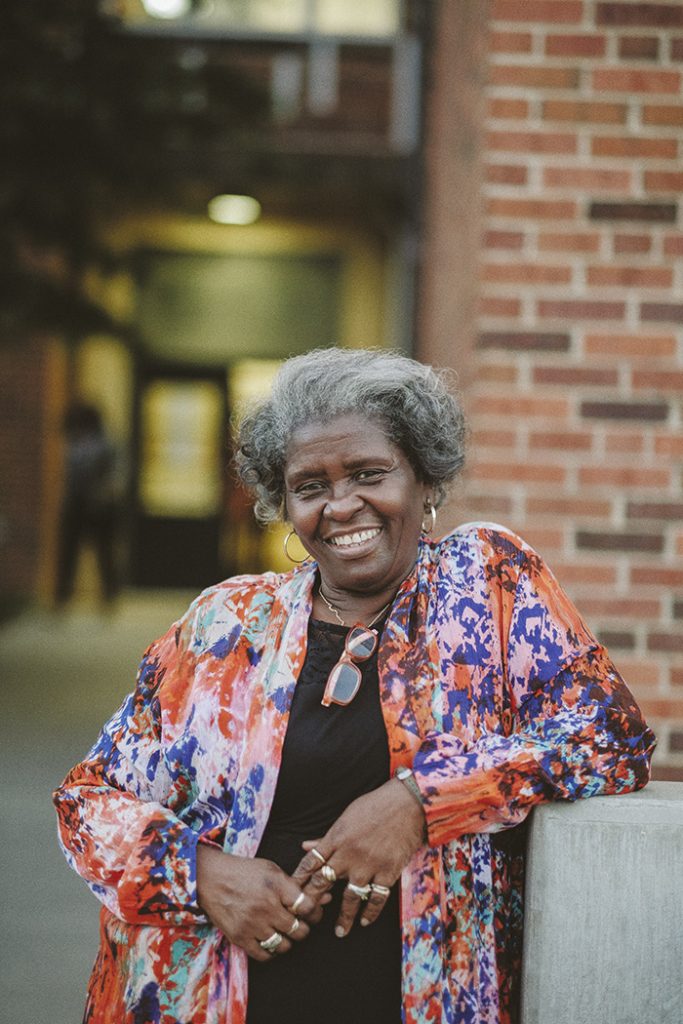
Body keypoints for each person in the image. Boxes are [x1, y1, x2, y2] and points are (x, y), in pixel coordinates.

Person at [53, 348, 655, 1024]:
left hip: (420, 1000)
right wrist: (200, 874)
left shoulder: (486, 587)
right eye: (310, 486)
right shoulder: (224, 624)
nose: (342, 506)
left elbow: (605, 736)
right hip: (214, 998)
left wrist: (419, 805)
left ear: (424, 479)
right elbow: (88, 800)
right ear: (285, 503)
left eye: (369, 473)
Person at [55, 402, 121, 606]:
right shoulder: (77, 443)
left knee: (103, 553)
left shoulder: (103, 443)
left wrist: (104, 493)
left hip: (98, 506)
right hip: (79, 504)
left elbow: (114, 475)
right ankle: (64, 594)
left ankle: (108, 594)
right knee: (71, 552)